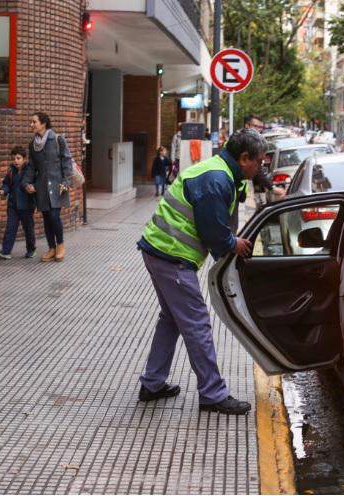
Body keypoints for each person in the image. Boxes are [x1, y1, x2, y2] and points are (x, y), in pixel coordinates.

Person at [136, 128, 266, 415]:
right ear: (244, 158)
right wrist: (235, 244)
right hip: (172, 257)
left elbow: (229, 203)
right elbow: (215, 234)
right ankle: (212, 393)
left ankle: (153, 383)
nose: (261, 167)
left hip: (158, 250)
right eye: (259, 162)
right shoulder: (216, 179)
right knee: (197, 324)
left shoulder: (221, 171)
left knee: (170, 318)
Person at [23, 112, 73, 263]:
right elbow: (31, 167)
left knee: (54, 216)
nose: (31, 125)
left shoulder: (58, 139)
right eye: (31, 122)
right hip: (42, 187)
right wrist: (26, 183)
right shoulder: (32, 145)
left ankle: (60, 245)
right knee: (46, 218)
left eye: (34, 122)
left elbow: (67, 161)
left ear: (43, 123)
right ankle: (51, 248)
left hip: (58, 185)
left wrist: (67, 181)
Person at [0, 146, 37, 260]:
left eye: (18, 158)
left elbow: (34, 185)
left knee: (28, 229)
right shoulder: (11, 171)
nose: (16, 161)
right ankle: (6, 251)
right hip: (13, 205)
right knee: (10, 228)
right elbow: (6, 183)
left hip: (26, 205)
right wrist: (3, 190)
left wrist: (34, 193)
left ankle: (31, 249)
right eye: (14, 158)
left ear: (24, 159)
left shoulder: (29, 171)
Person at [243, 115, 285, 209]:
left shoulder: (251, 141)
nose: (259, 130)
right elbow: (256, 170)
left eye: (261, 127)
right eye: (256, 126)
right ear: (247, 126)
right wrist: (273, 188)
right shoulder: (247, 143)